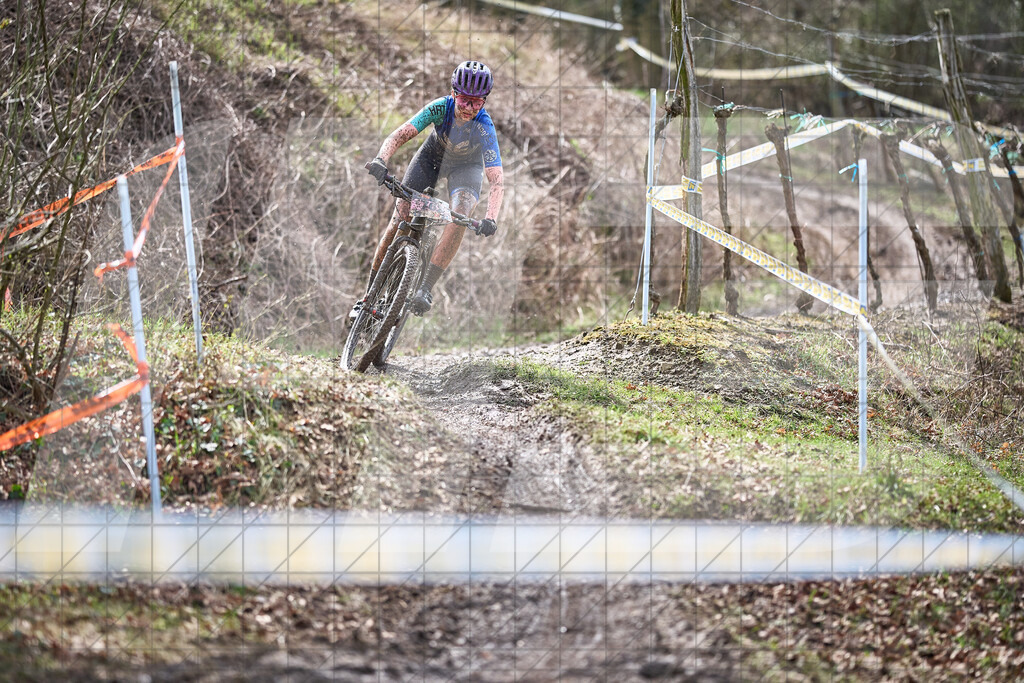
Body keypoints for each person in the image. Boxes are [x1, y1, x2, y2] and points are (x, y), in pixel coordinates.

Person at [358, 59, 504, 317]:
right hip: (430, 160)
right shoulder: (440, 108)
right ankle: (367, 297)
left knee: (462, 214)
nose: (470, 108)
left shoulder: (484, 126)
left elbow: (496, 179)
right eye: (464, 100)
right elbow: (401, 134)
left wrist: (491, 217)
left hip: (466, 169)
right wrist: (382, 160)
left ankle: (425, 288)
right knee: (398, 219)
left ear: (484, 101)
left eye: (477, 102)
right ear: (453, 94)